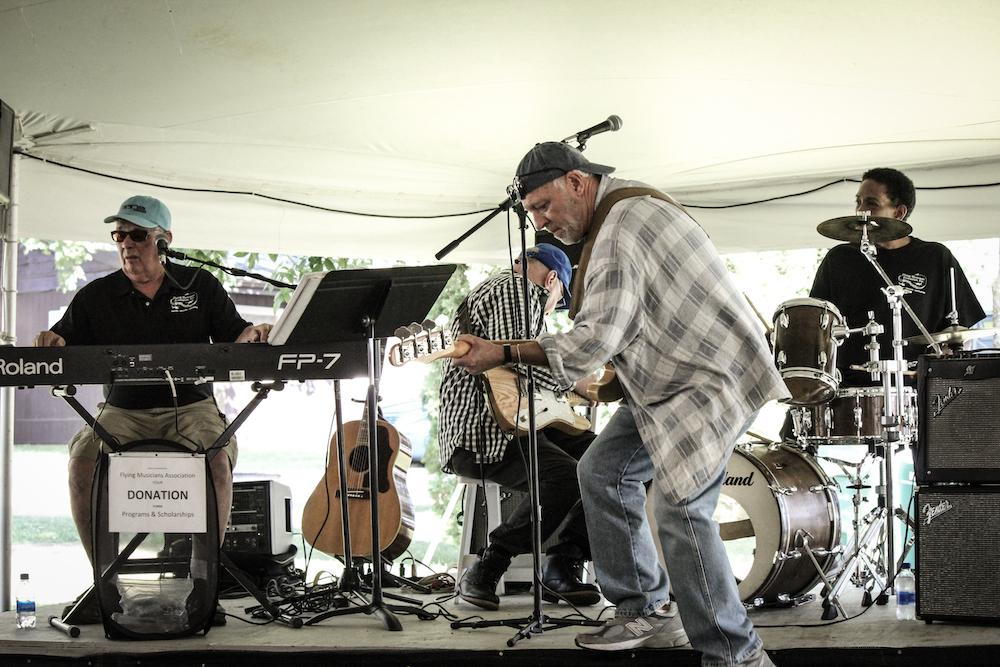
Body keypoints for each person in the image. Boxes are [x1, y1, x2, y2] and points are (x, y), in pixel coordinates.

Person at [451, 142, 788, 667]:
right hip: (664, 386)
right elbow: (629, 331)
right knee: (602, 471)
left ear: (577, 183)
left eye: (543, 205)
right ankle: (646, 611)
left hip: (706, 381)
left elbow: (593, 341)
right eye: (531, 212)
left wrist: (501, 351)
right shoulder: (624, 213)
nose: (540, 223)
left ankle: (736, 654)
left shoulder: (619, 227)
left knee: (679, 509)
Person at [33, 195, 272, 623]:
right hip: (122, 410)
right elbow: (63, 343)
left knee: (216, 463)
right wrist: (53, 342)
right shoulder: (96, 296)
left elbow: (238, 335)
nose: (126, 243)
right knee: (81, 467)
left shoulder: (200, 285)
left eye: (137, 235)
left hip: (193, 406)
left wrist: (254, 333)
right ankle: (104, 585)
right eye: (119, 235)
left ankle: (205, 585)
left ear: (164, 241)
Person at [438, 243, 601, 610]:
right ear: (553, 280)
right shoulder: (517, 289)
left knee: (612, 463)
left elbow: (521, 368)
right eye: (555, 301)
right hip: (485, 431)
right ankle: (488, 566)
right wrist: (574, 382)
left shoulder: (501, 294)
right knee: (571, 476)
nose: (549, 308)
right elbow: (516, 359)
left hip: (516, 423)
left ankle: (564, 562)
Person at [810, 167, 986, 387]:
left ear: (899, 212)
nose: (861, 211)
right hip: (850, 389)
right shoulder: (839, 259)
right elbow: (815, 325)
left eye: (871, 204)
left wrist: (940, 371)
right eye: (858, 202)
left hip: (917, 389)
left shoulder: (935, 257)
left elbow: (960, 334)